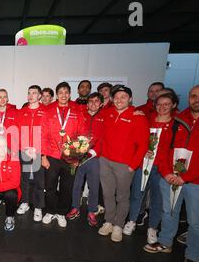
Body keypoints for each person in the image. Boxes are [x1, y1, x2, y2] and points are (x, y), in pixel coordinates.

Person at [144, 84, 199, 262]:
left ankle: (193, 256)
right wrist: (166, 173)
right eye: (193, 96)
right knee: (169, 212)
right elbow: (165, 149)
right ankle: (165, 242)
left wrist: (186, 177)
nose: (197, 100)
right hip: (171, 177)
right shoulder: (179, 120)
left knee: (196, 221)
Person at [96, 86, 149, 242]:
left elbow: (143, 144)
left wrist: (133, 165)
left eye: (123, 97)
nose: (119, 100)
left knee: (122, 196)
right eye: (117, 97)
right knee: (107, 194)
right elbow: (90, 110)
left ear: (130, 99)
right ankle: (109, 221)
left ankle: (119, 225)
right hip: (105, 161)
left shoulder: (138, 117)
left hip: (125, 165)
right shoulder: (107, 113)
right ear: (112, 99)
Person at [124, 93, 177, 243]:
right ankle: (132, 221)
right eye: (159, 104)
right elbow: (137, 138)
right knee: (137, 194)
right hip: (144, 164)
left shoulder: (176, 124)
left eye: (166, 104)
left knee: (157, 199)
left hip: (163, 168)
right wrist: (142, 149)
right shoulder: (147, 119)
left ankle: (152, 227)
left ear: (173, 105)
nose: (162, 107)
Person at [41, 82, 86, 227]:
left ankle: (61, 213)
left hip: (70, 157)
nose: (63, 95)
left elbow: (82, 135)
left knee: (67, 187)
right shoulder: (49, 112)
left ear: (70, 94)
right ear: (57, 94)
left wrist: (77, 156)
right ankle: (50, 210)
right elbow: (43, 136)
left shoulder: (77, 112)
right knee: (50, 186)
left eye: (66, 92)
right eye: (60, 92)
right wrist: (43, 156)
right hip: (52, 156)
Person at [68, 92, 105, 227]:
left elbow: (103, 139)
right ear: (87, 103)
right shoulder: (81, 115)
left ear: (101, 104)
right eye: (91, 101)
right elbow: (74, 133)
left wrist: (90, 153)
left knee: (93, 186)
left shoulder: (104, 117)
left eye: (96, 101)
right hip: (78, 156)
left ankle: (92, 211)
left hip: (94, 158)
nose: (93, 103)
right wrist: (74, 152)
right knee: (77, 184)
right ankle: (75, 207)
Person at [16, 85, 46, 222]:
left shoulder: (46, 111)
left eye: (34, 93)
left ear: (39, 96)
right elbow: (17, 133)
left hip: (39, 152)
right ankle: (25, 202)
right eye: (29, 93)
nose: (31, 95)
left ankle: (38, 207)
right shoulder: (21, 112)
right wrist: (25, 148)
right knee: (25, 179)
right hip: (25, 151)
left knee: (39, 181)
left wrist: (38, 151)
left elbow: (48, 134)